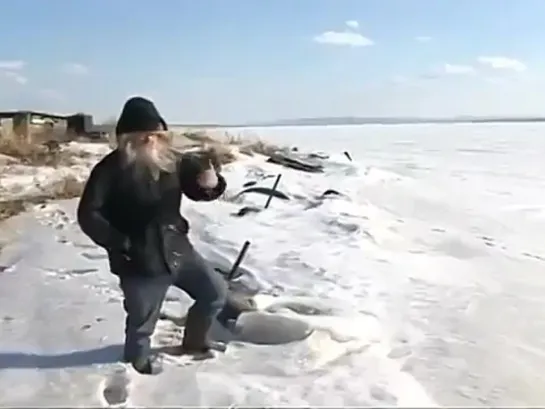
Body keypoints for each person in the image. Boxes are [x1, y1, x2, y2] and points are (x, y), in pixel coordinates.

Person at [77, 96, 230, 375]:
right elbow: (89, 215)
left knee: (215, 294)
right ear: (126, 138)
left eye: (155, 134)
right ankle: (137, 366)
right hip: (139, 261)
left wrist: (211, 184)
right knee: (141, 323)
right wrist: (120, 242)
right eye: (142, 135)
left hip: (178, 251)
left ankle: (196, 342)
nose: (150, 140)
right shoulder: (109, 170)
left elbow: (200, 190)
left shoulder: (174, 162)